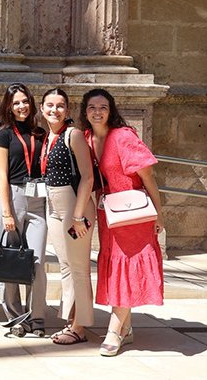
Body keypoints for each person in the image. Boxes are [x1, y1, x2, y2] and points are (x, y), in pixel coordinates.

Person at [81, 88, 163, 357]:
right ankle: (126, 329)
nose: (97, 112)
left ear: (111, 109)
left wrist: (159, 214)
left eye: (103, 107)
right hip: (109, 215)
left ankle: (114, 331)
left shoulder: (123, 136)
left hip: (134, 216)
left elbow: (148, 177)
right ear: (84, 111)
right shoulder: (86, 138)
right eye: (92, 107)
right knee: (116, 269)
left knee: (126, 269)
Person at [39, 88, 95, 345]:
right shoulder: (48, 137)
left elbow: (88, 176)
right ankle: (71, 317)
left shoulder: (73, 135)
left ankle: (80, 327)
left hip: (75, 206)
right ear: (42, 108)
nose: (54, 110)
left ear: (68, 110)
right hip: (53, 204)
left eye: (60, 105)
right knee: (64, 265)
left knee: (79, 268)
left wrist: (78, 215)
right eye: (49, 105)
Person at [0, 84, 47, 337]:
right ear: (8, 107)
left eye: (25, 101)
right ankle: (16, 319)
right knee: (10, 261)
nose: (21, 106)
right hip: (11, 197)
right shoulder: (3, 134)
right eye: (16, 103)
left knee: (36, 261)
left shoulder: (40, 132)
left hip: (37, 198)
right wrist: (6, 211)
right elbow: (0, 174)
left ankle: (36, 317)